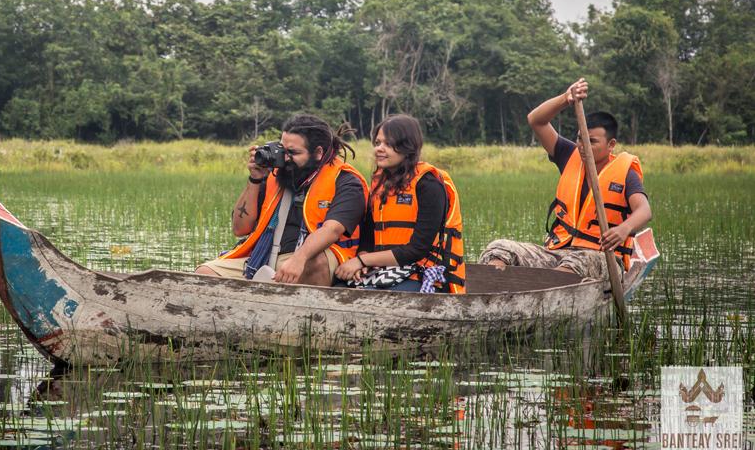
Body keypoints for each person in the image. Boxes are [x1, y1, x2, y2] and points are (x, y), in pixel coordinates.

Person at [478, 78, 653, 277]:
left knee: (578, 261)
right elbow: (536, 120)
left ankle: (553, 285)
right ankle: (494, 286)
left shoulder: (625, 173)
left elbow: (644, 210)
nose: (582, 144)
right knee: (499, 248)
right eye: (580, 138)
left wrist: (624, 228)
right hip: (557, 253)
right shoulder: (570, 155)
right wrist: (565, 98)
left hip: (600, 257)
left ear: (611, 144)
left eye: (591, 141)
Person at [194, 114, 369, 286]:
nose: (285, 158)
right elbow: (240, 229)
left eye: (293, 153)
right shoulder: (277, 174)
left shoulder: (346, 181)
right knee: (205, 274)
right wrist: (255, 179)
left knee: (316, 264)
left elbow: (332, 230)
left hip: (315, 256)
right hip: (266, 254)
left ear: (318, 153)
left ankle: (306, 314)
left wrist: (298, 258)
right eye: (283, 150)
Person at [334, 115, 467, 293]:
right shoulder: (380, 183)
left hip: (422, 272)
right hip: (383, 269)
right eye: (378, 142)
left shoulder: (428, 184)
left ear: (407, 147)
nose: (379, 149)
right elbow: (368, 234)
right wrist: (363, 258)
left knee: (379, 298)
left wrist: (362, 261)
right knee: (339, 289)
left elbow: (417, 249)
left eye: (388, 144)